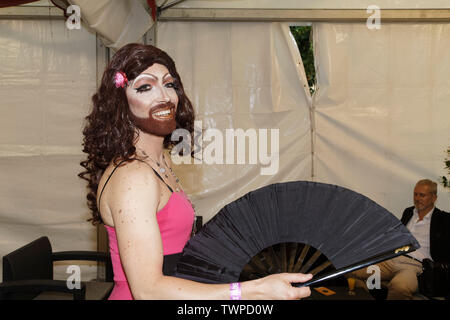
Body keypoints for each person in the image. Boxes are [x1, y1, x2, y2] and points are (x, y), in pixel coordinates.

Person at [79, 43, 312, 300]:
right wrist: (251, 291)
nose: (164, 96)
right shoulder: (134, 176)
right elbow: (148, 291)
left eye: (169, 84)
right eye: (145, 87)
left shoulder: (159, 162)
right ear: (121, 103)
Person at [349, 179, 450, 299]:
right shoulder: (409, 212)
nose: (417, 198)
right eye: (415, 194)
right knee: (352, 269)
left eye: (422, 195)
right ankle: (375, 293)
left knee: (400, 287)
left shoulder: (443, 219)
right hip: (392, 260)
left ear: (434, 198)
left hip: (413, 266)